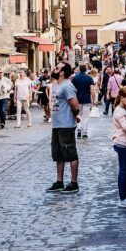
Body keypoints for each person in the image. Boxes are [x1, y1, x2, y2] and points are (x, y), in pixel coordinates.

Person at [46, 62, 80, 194]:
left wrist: (73, 117)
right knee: (58, 155)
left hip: (66, 125)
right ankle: (59, 181)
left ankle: (74, 183)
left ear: (62, 72)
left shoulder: (67, 86)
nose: (54, 69)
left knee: (70, 153)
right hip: (56, 125)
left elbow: (75, 106)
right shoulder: (55, 85)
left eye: (57, 67)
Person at [71, 63, 95, 139]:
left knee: (78, 115)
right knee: (86, 116)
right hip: (86, 99)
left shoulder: (75, 78)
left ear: (79, 69)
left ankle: (78, 130)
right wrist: (93, 100)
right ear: (86, 69)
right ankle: (84, 132)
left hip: (77, 99)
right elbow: (92, 89)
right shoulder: (89, 78)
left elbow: (72, 89)